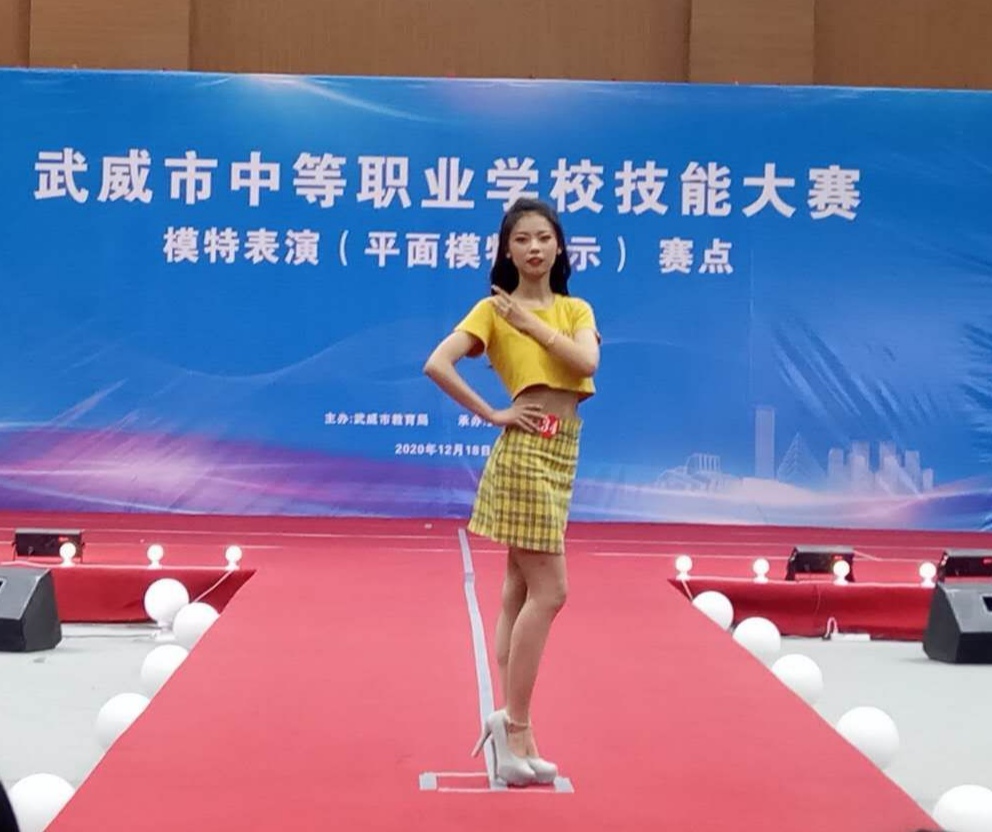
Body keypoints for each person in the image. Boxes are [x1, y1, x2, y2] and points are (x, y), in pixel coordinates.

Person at [423, 197, 601, 786]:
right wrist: (493, 413)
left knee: (519, 590)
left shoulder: (574, 309)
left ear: (559, 246)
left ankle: (521, 739)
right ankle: (514, 724)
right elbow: (438, 363)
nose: (533, 248)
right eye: (520, 239)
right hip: (525, 450)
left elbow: (586, 361)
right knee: (552, 591)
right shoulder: (493, 310)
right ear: (506, 250)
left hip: (564, 449)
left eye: (543, 238)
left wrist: (533, 325)